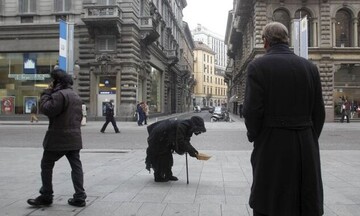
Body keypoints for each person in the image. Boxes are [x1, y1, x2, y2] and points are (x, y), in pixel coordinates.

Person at [243, 22, 325, 216]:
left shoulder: (258, 67)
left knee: (270, 200)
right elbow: (319, 112)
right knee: (304, 200)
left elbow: (251, 110)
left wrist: (256, 136)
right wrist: (309, 136)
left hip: (272, 143)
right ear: (287, 39)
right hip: (305, 143)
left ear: (265, 42)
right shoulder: (310, 67)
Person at [27, 69, 87, 207]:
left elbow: (47, 109)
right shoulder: (75, 96)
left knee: (46, 164)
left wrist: (46, 93)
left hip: (58, 137)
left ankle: (46, 195)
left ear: (57, 81)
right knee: (76, 166)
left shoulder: (59, 95)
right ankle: (80, 196)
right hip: (74, 137)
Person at [145, 116, 206, 182]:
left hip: (165, 137)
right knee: (162, 157)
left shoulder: (188, 126)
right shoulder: (183, 126)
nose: (199, 132)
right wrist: (193, 152)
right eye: (199, 130)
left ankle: (168, 174)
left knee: (168, 157)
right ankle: (158, 176)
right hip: (159, 137)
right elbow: (181, 141)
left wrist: (193, 151)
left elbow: (186, 141)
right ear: (195, 126)